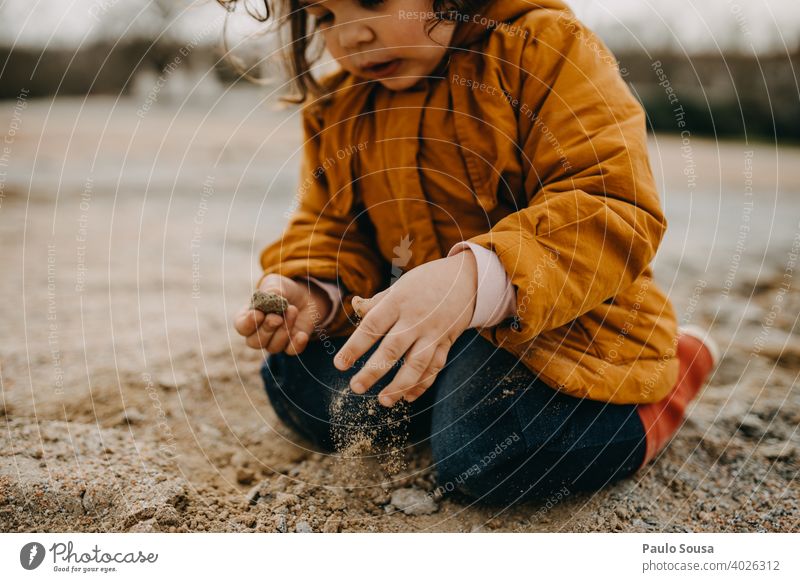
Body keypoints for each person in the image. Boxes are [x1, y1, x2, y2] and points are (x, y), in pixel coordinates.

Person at [232, 0, 719, 505]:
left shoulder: (545, 48)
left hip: (560, 326)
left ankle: (678, 368)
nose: (350, 37)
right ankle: (446, 398)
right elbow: (332, 224)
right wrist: (311, 288)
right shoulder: (342, 104)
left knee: (487, 454)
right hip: (416, 321)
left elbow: (611, 203)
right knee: (299, 388)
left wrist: (472, 281)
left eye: (372, 1)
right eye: (325, 17)